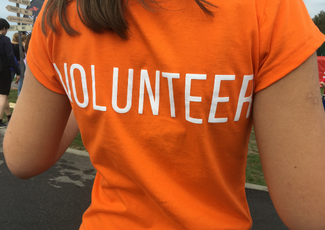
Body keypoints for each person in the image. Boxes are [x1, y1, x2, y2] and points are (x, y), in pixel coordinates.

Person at [3, 0, 325, 229]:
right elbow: (311, 210)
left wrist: (93, 96)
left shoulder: (62, 9)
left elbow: (23, 155)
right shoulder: (270, 8)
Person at [0, 19, 20, 127]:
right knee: (3, 95)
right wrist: (17, 71)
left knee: (5, 95)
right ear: (4, 28)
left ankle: (9, 116)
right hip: (4, 70)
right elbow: (10, 57)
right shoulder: (5, 40)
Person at [11, 33, 26, 97]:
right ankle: (19, 94)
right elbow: (23, 56)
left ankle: (4, 93)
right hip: (20, 63)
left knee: (9, 79)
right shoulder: (20, 46)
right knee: (21, 80)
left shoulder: (9, 45)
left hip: (12, 63)